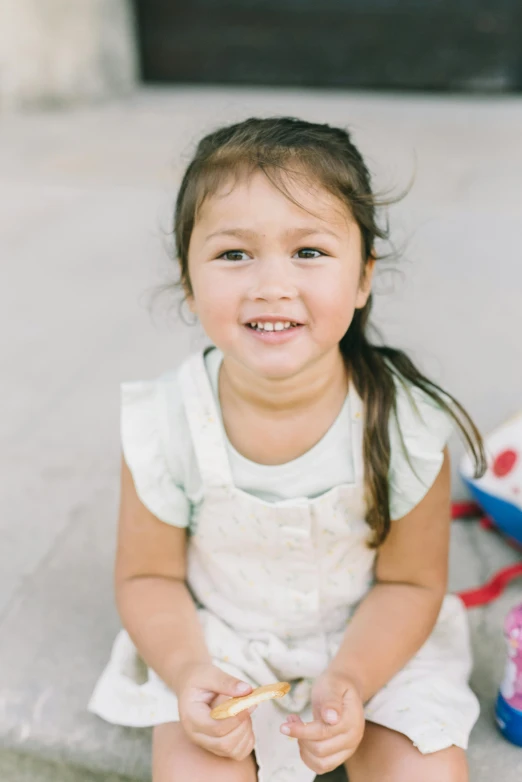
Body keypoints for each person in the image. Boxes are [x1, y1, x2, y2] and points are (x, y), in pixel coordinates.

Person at [88, 117, 486, 782]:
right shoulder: (166, 421)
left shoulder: (404, 423)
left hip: (376, 646)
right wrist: (189, 671)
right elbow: (147, 577)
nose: (271, 284)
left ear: (362, 278)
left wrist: (354, 679)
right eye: (234, 254)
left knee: (427, 772)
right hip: (220, 644)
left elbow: (411, 582)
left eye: (308, 252)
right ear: (188, 281)